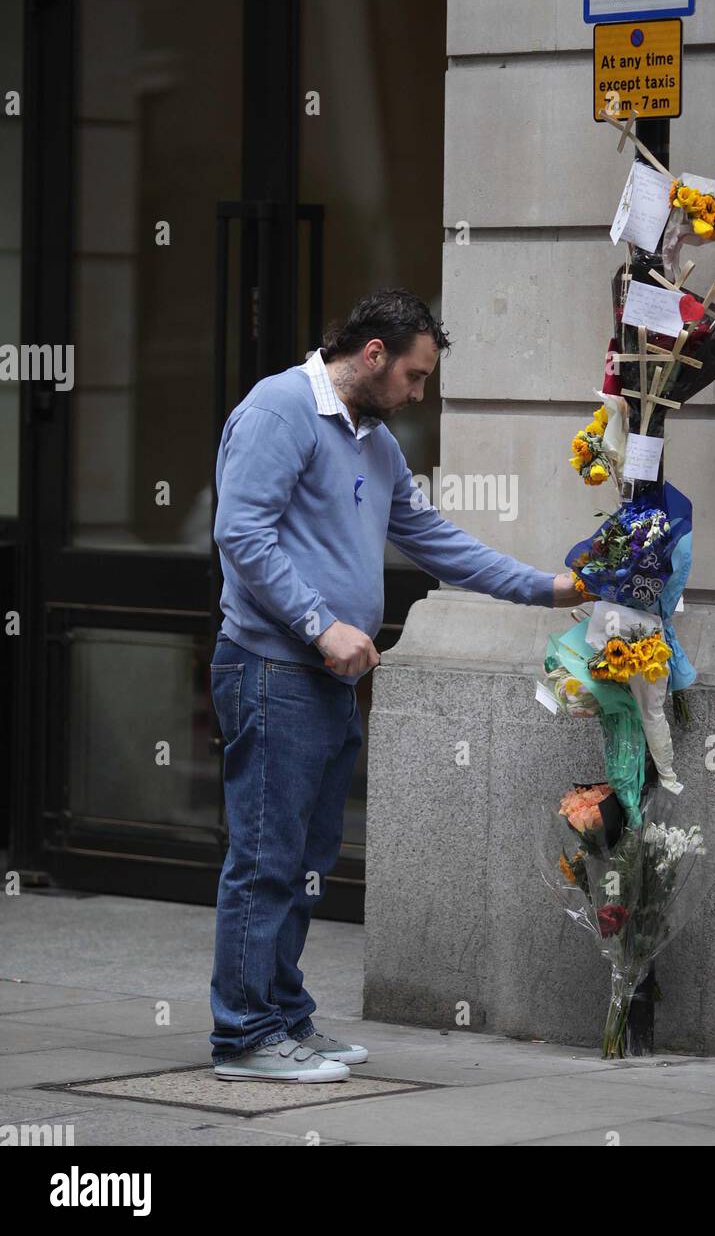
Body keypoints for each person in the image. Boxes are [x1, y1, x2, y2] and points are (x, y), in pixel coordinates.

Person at [209, 287, 578, 1081]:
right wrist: (319, 623)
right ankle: (242, 1037)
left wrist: (549, 589)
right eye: (413, 377)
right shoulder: (278, 411)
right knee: (266, 857)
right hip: (272, 668)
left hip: (328, 680)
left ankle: (283, 1017)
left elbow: (436, 541)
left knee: (307, 856)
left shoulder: (373, 443)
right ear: (371, 354)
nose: (417, 395)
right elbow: (240, 533)